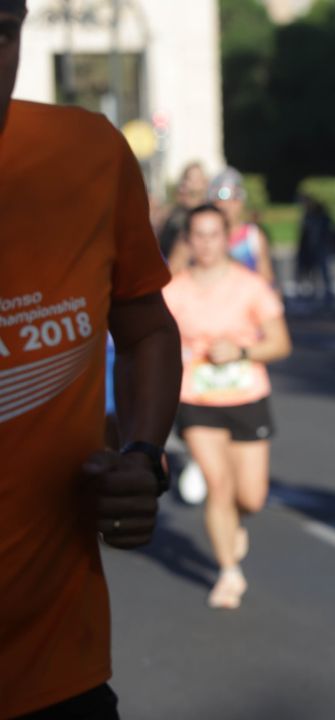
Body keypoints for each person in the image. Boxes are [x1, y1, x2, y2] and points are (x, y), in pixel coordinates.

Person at [0, 2, 182, 716]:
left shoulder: (88, 154)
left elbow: (146, 331)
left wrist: (140, 455)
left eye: (3, 32)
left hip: (58, 672)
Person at [162, 203, 291, 609]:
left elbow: (280, 344)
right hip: (196, 398)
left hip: (246, 396)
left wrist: (239, 349)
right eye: (197, 235)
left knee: (250, 497)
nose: (205, 243)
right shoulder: (174, 291)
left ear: (226, 237)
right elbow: (157, 345)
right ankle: (228, 573)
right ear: (188, 240)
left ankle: (235, 522)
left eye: (213, 234)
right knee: (218, 484)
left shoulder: (250, 286)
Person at [157, 160, 208, 273]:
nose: (193, 185)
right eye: (189, 179)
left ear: (205, 184)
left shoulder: (211, 217)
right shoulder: (172, 216)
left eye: (197, 180)